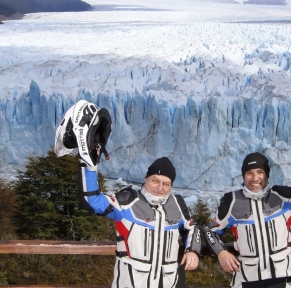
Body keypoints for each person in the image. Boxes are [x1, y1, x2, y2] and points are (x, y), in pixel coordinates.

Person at [55, 100, 201, 288]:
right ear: (146, 180)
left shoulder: (177, 204)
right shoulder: (128, 201)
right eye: (155, 181)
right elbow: (92, 201)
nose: (160, 187)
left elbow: (193, 228)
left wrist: (193, 251)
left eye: (166, 184)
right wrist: (88, 164)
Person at [203, 141, 291, 288]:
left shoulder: (285, 197)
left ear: (267, 174)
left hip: (281, 278)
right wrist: (221, 253)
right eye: (249, 173)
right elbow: (211, 230)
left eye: (260, 172)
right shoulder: (231, 201)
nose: (255, 178)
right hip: (246, 279)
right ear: (243, 176)